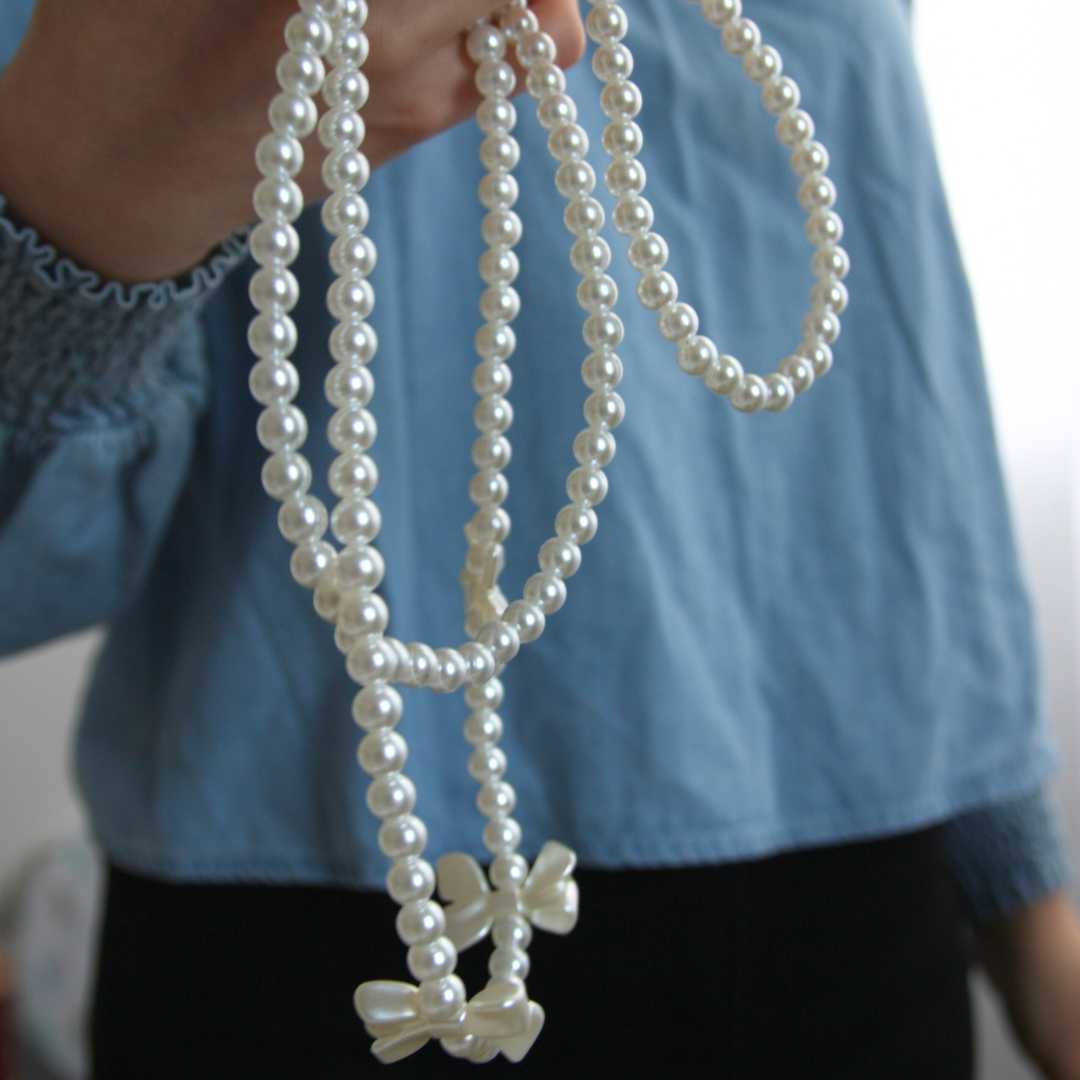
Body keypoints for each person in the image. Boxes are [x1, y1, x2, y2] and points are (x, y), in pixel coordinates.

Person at [0, 0, 1078, 1076]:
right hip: (288, 898)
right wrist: (80, 198)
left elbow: (896, 382)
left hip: (856, 883)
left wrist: (1018, 882)